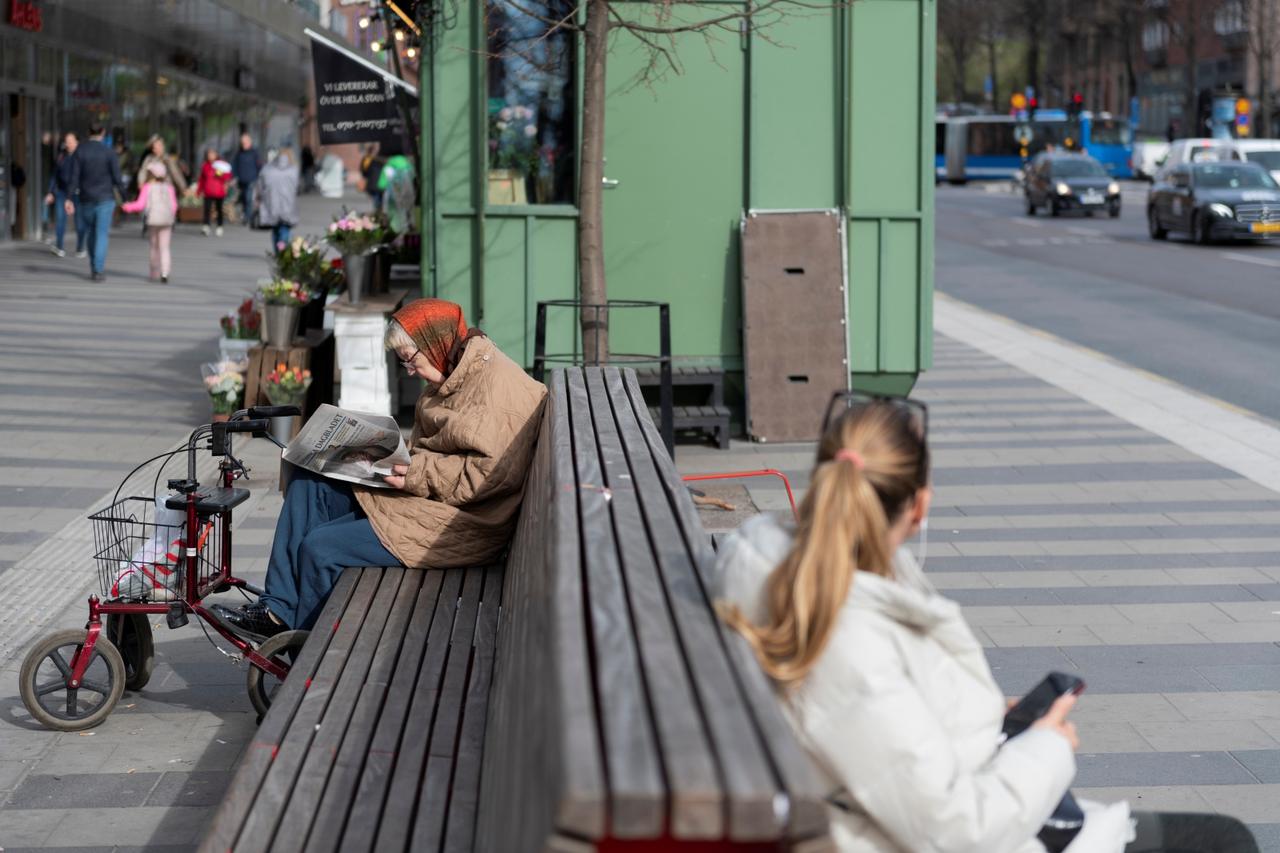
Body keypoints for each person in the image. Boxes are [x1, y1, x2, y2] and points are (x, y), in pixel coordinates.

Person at [715, 396, 1260, 853]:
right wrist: (1046, 749)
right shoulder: (844, 629)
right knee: (1224, 841)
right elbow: (955, 829)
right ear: (920, 506)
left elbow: (872, 724)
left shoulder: (765, 563)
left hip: (871, 802)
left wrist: (991, 724)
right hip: (917, 835)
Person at [212, 298, 548, 637]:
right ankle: (278, 612)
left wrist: (415, 471)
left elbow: (488, 476)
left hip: (462, 523)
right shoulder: (455, 370)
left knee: (321, 548)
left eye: (409, 359)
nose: (409, 370)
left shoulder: (495, 390)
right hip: (430, 499)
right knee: (310, 478)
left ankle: (309, 656)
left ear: (436, 342)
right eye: (403, 361)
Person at [68, 123, 126, 282]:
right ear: (103, 132)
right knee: (101, 234)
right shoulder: (109, 152)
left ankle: (94, 265)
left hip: (86, 199)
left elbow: (74, 177)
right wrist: (125, 198)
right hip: (105, 199)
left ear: (88, 132)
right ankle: (97, 270)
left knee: (91, 233)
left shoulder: (80, 151)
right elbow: (117, 178)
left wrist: (69, 198)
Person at [121, 161, 178, 284]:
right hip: (167, 220)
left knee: (154, 247)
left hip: (153, 220)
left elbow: (140, 205)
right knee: (165, 247)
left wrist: (127, 207)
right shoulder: (170, 188)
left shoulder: (147, 187)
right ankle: (165, 272)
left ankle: (154, 272)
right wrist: (171, 216)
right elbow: (174, 205)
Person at [44, 132, 85, 258]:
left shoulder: (82, 157)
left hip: (78, 193)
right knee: (60, 220)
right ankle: (60, 247)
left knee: (79, 222)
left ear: (77, 142)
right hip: (61, 192)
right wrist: (51, 192)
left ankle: (80, 248)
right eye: (67, 141)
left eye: (71, 141)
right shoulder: (62, 156)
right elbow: (55, 175)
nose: (68, 144)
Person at [255, 148, 299, 253]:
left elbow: (260, 186)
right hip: (287, 204)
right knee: (285, 228)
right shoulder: (294, 170)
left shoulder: (267, 169)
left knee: (275, 228)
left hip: (271, 204)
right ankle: (283, 250)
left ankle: (277, 250)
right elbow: (297, 187)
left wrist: (258, 199)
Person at [196, 148, 232, 236]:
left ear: (216, 155)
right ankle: (206, 226)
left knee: (219, 209)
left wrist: (219, 173)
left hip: (219, 191)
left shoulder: (221, 165)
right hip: (208, 191)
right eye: (208, 154)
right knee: (207, 209)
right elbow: (202, 179)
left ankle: (219, 226)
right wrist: (199, 190)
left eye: (212, 154)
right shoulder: (205, 166)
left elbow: (227, 177)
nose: (210, 156)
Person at [232, 133, 262, 223]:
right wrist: (234, 176)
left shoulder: (254, 153)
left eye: (245, 143)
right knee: (244, 198)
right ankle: (245, 213)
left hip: (251, 179)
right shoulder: (239, 153)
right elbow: (235, 165)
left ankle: (247, 216)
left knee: (249, 198)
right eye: (242, 143)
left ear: (249, 142)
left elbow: (259, 165)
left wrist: (259, 176)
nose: (243, 144)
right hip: (241, 180)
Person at [360, 144, 384, 211]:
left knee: (376, 199)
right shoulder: (380, 160)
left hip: (372, 184)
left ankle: (378, 211)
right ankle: (379, 211)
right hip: (378, 184)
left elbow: (364, 171)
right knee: (378, 199)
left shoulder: (367, 159)